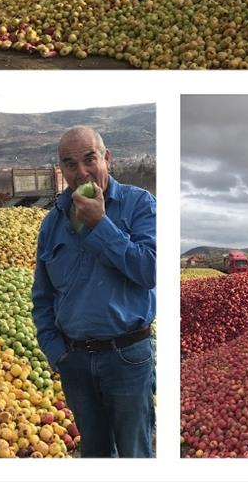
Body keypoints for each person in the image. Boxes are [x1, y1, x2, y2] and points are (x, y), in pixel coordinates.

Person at [32, 126, 156, 457]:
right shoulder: (53, 222)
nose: (82, 172)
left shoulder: (139, 205)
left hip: (126, 357)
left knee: (134, 452)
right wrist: (56, 351)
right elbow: (42, 296)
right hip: (74, 361)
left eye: (90, 159)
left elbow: (150, 270)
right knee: (95, 453)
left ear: (107, 159)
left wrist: (101, 225)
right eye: (70, 164)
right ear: (62, 170)